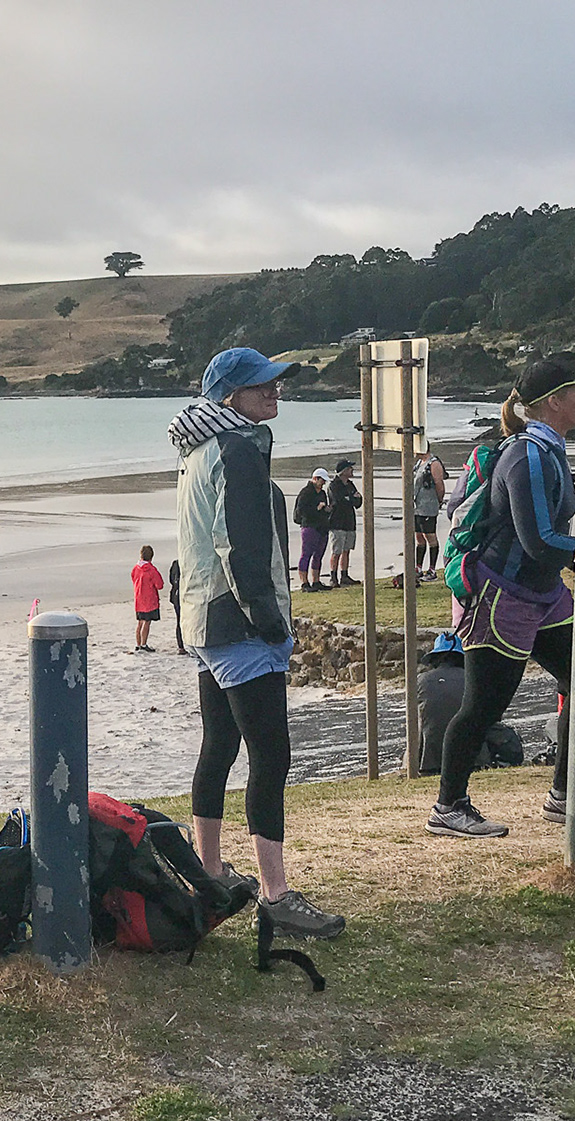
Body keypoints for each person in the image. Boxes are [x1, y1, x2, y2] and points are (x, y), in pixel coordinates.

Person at [426, 359, 575, 837]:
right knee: (484, 706)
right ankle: (448, 807)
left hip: (543, 592)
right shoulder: (527, 455)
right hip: (499, 594)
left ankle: (564, 795)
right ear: (554, 401)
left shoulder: (551, 449)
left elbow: (546, 545)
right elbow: (540, 542)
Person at [170, 347, 345, 941]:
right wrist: (270, 622)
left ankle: (210, 872)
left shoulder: (196, 448)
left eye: (275, 383)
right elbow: (239, 547)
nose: (274, 392)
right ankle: (275, 895)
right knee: (271, 754)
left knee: (218, 745)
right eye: (261, 385)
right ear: (229, 397)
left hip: (202, 619)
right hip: (240, 626)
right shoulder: (241, 445)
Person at [415, 632, 521, 776]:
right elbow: (492, 717)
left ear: (435, 658)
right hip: (473, 761)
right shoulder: (475, 679)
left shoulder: (421, 680)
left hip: (429, 762)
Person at [293, 467, 331, 592]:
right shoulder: (305, 492)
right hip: (309, 526)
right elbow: (301, 511)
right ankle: (304, 583)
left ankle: (316, 580)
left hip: (322, 527)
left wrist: (326, 510)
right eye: (322, 481)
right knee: (306, 554)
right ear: (315, 479)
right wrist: (317, 509)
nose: (323, 483)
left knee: (318, 555)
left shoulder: (322, 493)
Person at [326, 459, 362, 588]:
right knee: (337, 551)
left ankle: (344, 575)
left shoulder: (350, 485)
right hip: (337, 521)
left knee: (347, 550)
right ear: (344, 471)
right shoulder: (334, 485)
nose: (352, 470)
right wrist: (352, 498)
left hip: (349, 521)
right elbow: (339, 501)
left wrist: (352, 498)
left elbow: (358, 502)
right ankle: (333, 576)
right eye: (350, 468)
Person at [412, 451, 447, 580]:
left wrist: (439, 500)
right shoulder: (418, 463)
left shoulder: (434, 463)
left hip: (428, 505)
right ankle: (418, 568)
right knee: (419, 537)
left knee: (430, 536)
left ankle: (432, 570)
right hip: (417, 506)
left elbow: (439, 484)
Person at [132, 545, 165, 653]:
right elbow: (159, 584)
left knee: (140, 622)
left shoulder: (136, 568)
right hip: (149, 599)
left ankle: (138, 644)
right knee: (147, 621)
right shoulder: (151, 569)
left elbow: (133, 578)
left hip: (139, 597)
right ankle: (143, 644)